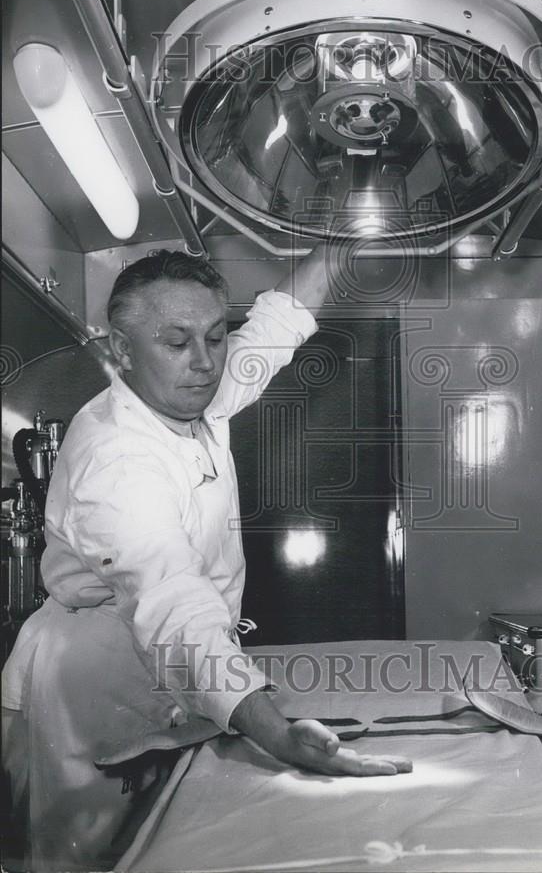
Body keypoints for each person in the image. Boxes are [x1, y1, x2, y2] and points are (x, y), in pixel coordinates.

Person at [1, 246, 411, 872]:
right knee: (97, 855)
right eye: (177, 342)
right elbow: (174, 606)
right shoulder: (116, 460)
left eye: (217, 337)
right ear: (122, 348)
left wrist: (340, 241)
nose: (204, 362)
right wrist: (277, 733)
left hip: (178, 669)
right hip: (98, 682)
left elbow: (277, 326)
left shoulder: (195, 394)